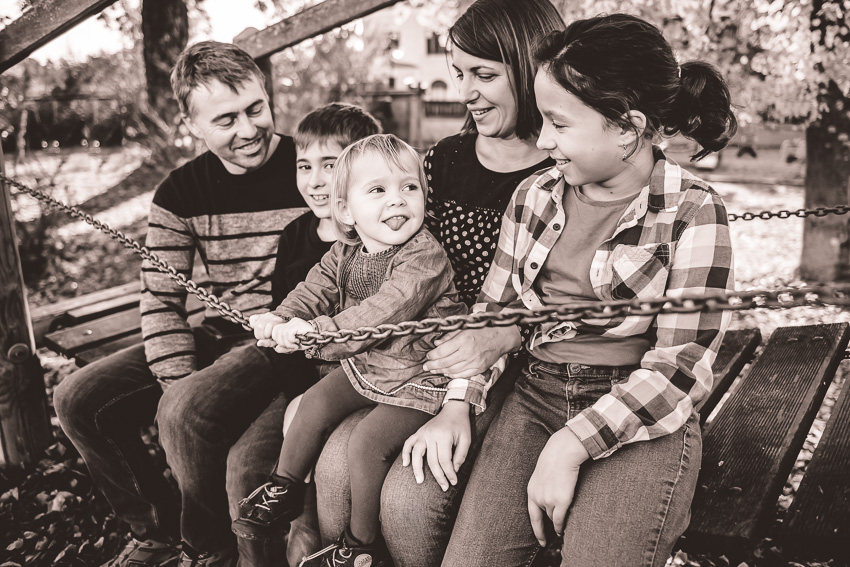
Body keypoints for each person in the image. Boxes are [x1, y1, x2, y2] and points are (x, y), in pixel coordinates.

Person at [434, 14, 737, 566]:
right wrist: (461, 398)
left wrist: (571, 444)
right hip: (535, 395)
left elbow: (679, 368)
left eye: (558, 123)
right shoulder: (534, 196)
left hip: (640, 408)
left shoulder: (693, 210)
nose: (543, 140)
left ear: (627, 128)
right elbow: (494, 311)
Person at [297, 1, 564, 565]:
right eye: (459, 73)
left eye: (483, 75)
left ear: (529, 67)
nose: (465, 91)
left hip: (501, 362)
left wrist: (461, 394)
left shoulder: (559, 171)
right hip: (414, 347)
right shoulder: (444, 159)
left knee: (410, 497)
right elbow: (395, 254)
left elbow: (558, 299)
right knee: (334, 464)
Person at [54, 41, 312, 567]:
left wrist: (187, 406)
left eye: (255, 109)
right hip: (218, 334)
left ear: (268, 96)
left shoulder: (310, 167)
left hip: (283, 338)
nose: (248, 129)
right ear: (191, 124)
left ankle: (207, 546)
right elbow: (161, 296)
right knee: (78, 399)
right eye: (226, 120)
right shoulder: (180, 192)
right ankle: (155, 526)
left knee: (197, 422)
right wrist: (179, 384)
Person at [233, 133, 500, 567]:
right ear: (345, 211)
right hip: (373, 364)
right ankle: (284, 487)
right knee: (313, 404)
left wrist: (316, 332)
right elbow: (313, 290)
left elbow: (381, 313)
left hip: (422, 374)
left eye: (409, 187)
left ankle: (360, 544)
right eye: (377, 190)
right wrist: (281, 318)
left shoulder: (424, 257)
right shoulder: (345, 250)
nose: (397, 200)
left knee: (366, 443)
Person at [230, 102, 382, 567]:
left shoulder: (380, 240)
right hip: (304, 381)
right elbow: (289, 309)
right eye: (304, 166)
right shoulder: (296, 236)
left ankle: (313, 533)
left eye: (329, 165)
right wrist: (297, 389)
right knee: (244, 464)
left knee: (320, 489)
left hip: (365, 377)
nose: (315, 181)